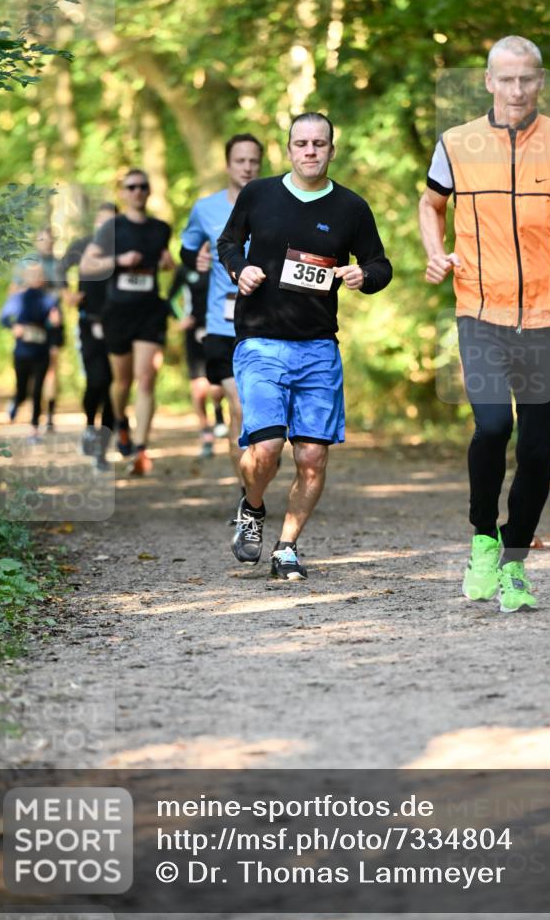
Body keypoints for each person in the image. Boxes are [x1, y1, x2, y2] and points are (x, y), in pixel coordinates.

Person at [419, 35, 550, 612]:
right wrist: (435, 252)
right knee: (490, 428)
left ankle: (513, 562)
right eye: (506, 79)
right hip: (481, 310)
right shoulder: (456, 143)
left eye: (527, 78)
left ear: (540, 81)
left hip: (546, 317)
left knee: (536, 451)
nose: (517, 89)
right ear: (488, 82)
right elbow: (430, 203)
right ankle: (483, 537)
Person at [218, 112, 392, 580]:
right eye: (302, 143)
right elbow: (228, 242)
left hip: (317, 347)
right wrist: (240, 269)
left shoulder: (351, 207)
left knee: (312, 457)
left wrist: (364, 275)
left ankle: (287, 546)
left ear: (332, 149)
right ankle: (253, 506)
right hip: (260, 341)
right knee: (267, 448)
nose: (310, 151)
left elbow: (380, 265)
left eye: (319, 143)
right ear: (289, 149)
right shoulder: (259, 194)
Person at [180, 133, 263, 489]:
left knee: (263, 420)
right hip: (222, 325)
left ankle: (259, 473)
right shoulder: (205, 209)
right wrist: (195, 260)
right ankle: (248, 494)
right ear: (227, 165)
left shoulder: (275, 205)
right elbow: (187, 248)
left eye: (253, 161)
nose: (247, 167)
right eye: (240, 161)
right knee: (239, 408)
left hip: (265, 325)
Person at [81, 169, 175, 476]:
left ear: (149, 191)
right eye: (131, 187)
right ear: (123, 193)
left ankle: (140, 448)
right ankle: (121, 421)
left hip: (150, 311)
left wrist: (167, 263)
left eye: (143, 186)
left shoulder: (161, 228)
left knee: (146, 379)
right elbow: (87, 264)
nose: (138, 192)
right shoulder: (112, 227)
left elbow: (167, 263)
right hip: (118, 312)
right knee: (122, 382)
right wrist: (118, 261)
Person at [61, 203, 118, 471]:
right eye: (103, 222)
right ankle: (89, 426)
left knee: (113, 388)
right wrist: (67, 294)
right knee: (96, 381)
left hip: (118, 326)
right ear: (96, 223)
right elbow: (60, 268)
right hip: (88, 323)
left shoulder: (123, 249)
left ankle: (101, 451)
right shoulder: (83, 245)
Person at [167, 260, 226, 459]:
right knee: (199, 389)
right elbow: (171, 299)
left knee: (218, 387)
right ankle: (206, 433)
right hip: (193, 333)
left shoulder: (223, 262)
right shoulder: (185, 269)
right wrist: (181, 318)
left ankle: (218, 412)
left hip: (218, 330)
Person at [11, 226, 66, 431]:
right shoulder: (26, 262)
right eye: (43, 240)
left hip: (52, 323)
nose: (47, 244)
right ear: (36, 241)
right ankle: (21, 400)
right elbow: (13, 293)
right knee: (30, 369)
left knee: (51, 368)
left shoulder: (59, 265)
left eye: (50, 240)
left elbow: (65, 292)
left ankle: (48, 414)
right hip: (29, 324)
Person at [1, 263, 61, 443]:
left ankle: (34, 429)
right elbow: (4, 318)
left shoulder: (49, 299)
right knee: (22, 390)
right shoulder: (18, 297)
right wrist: (14, 326)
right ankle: (16, 401)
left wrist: (54, 323)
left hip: (41, 352)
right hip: (22, 352)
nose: (36, 277)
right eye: (32, 274)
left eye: (39, 274)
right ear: (26, 277)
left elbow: (55, 325)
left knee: (37, 391)